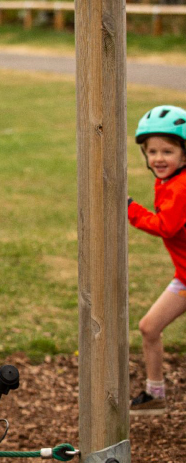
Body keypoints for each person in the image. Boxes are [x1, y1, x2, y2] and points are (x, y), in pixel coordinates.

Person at [128, 105, 186, 414]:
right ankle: (155, 393)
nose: (159, 158)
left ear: (184, 153)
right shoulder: (169, 181)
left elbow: (166, 225)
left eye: (168, 150)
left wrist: (129, 208)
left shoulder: (180, 187)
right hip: (184, 277)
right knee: (150, 327)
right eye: (152, 151)